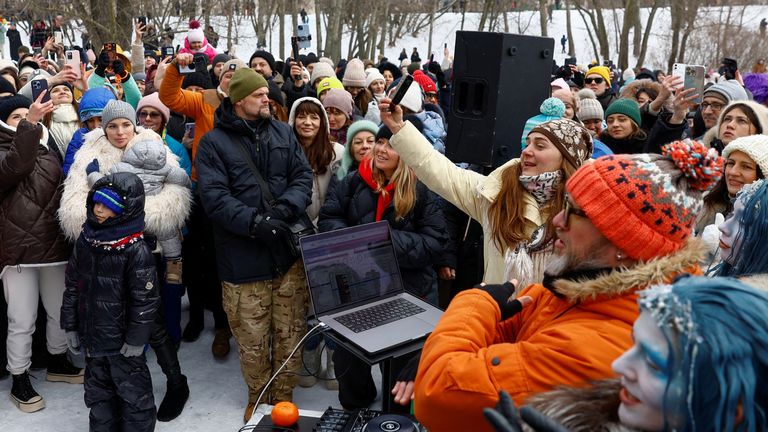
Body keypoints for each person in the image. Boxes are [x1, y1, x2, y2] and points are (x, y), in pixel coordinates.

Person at [405, 140, 720, 431]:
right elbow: (510, 325)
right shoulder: (586, 285)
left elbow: (436, 395)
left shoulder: (595, 347)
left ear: (623, 241)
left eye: (574, 212)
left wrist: (474, 303)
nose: (557, 222)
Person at [58, 100, 191, 422]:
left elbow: (177, 194)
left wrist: (136, 221)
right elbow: (75, 205)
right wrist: (109, 226)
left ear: (135, 125)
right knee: (112, 322)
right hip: (103, 257)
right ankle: (122, 390)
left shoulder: (152, 145)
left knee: (153, 320)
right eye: (113, 126)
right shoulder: (89, 153)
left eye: (125, 125)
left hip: (148, 249)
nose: (120, 132)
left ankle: (176, 382)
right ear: (103, 127)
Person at [195, 67, 313, 422]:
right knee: (252, 338)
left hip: (287, 257)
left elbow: (302, 176)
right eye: (261, 94)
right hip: (243, 260)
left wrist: (283, 211)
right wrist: (256, 223)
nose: (268, 99)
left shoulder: (282, 131)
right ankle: (258, 395)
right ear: (240, 99)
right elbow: (214, 198)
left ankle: (284, 394)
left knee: (291, 333)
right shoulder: (213, 143)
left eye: (268, 94)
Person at [500, 276, 768, 432]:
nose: (618, 365)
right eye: (634, 344)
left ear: (732, 411)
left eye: (653, 363)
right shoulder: (587, 414)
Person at [319, 122, 448, 410]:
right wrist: (353, 241)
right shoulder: (352, 181)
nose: (380, 149)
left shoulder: (422, 188)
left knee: (401, 368)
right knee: (348, 359)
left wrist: (384, 241)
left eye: (390, 145)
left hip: (409, 290)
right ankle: (357, 406)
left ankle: (393, 416)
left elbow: (436, 242)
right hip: (359, 285)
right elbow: (329, 218)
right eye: (379, 142)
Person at [0, 94, 84, 413]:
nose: (23, 119)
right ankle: (19, 375)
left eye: (28, 113)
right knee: (21, 319)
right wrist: (31, 124)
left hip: (53, 245)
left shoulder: (48, 146)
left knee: (59, 310)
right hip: (18, 251)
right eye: (15, 117)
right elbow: (14, 169)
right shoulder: (5, 148)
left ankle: (58, 360)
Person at [159, 54, 247, 354]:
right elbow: (169, 95)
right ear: (218, 76)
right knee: (196, 258)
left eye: (238, 75)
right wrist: (177, 68)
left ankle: (223, 325)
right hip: (203, 189)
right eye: (226, 73)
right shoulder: (205, 100)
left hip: (237, 194)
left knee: (225, 260)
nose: (230, 77)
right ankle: (195, 316)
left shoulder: (249, 106)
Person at [61, 173, 160, 432]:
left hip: (123, 344)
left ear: (125, 210)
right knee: (98, 396)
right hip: (93, 340)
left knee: (134, 397)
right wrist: (71, 325)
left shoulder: (136, 249)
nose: (98, 208)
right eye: (96, 202)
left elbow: (145, 300)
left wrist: (137, 339)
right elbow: (72, 286)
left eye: (107, 205)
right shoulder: (85, 240)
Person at [287, 97, 345, 389]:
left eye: (314, 117)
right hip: (297, 237)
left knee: (332, 301)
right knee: (305, 304)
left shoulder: (337, 153)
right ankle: (309, 357)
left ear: (322, 122)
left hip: (330, 237)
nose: (307, 123)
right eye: (301, 116)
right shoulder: (284, 151)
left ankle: (333, 360)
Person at [697, 135, 768, 248]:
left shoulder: (763, 223)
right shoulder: (707, 203)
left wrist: (722, 255)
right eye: (730, 163)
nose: (733, 172)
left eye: (746, 167)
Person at [63, 87, 116, 176]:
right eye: (90, 120)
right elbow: (68, 169)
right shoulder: (80, 137)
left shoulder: (121, 135)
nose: (96, 126)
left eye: (101, 119)